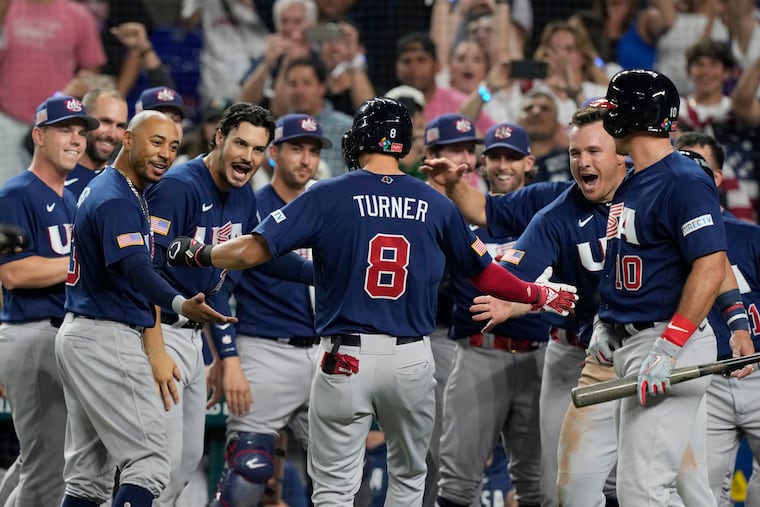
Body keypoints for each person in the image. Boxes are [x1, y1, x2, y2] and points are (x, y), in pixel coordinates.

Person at [165, 97, 577, 506]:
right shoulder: (436, 202)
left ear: (360, 137)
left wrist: (198, 253)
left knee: (334, 489)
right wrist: (539, 293)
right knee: (409, 481)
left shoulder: (328, 194)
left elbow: (253, 251)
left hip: (345, 358)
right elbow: (486, 273)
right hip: (412, 360)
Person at [55, 110, 237, 507]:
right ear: (128, 138)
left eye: (173, 146)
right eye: (156, 142)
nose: (165, 154)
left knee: (89, 477)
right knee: (152, 463)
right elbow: (136, 267)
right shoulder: (115, 197)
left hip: (84, 331)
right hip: (106, 334)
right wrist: (178, 302)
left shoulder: (117, 188)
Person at [590, 68, 752, 506]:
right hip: (635, 342)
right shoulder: (633, 180)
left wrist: (670, 345)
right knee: (676, 486)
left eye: (614, 109)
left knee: (642, 490)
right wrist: (607, 323)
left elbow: (711, 264)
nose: (609, 118)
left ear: (634, 114)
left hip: (666, 343)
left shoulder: (683, 178)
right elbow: (630, 265)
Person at [143, 102, 277, 506]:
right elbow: (143, 270)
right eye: (240, 144)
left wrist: (224, 353)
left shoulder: (244, 195)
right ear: (219, 138)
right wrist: (155, 349)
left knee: (185, 461)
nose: (247, 157)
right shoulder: (179, 185)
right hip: (157, 330)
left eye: (257, 150)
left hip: (193, 338)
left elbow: (222, 281)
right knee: (152, 465)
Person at [208, 113, 330, 507]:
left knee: (342, 473)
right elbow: (218, 288)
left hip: (326, 353)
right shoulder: (252, 207)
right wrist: (227, 359)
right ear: (274, 153)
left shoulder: (328, 207)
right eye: (296, 148)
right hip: (264, 349)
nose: (305, 159)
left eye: (313, 151)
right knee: (249, 469)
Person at [435, 122, 550, 507]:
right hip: (477, 353)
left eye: (512, 157)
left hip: (539, 355)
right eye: (496, 157)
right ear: (483, 163)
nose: (503, 165)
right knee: (456, 483)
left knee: (537, 484)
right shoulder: (457, 213)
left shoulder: (548, 212)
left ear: (529, 163)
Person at [0, 95, 98, 507]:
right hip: (33, 332)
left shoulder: (73, 198)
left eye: (80, 132)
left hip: (64, 336)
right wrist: (81, 261)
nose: (76, 140)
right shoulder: (15, 194)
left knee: (44, 462)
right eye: (64, 130)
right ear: (38, 135)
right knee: (47, 469)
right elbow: (14, 273)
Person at [672, 132, 760, 507]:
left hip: (757, 372)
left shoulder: (750, 236)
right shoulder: (662, 239)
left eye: (697, 164)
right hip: (702, 377)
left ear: (717, 178)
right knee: (699, 493)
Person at [65, 88, 129, 198]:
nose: (112, 135)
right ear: (85, 122)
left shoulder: (128, 183)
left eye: (120, 126)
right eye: (105, 122)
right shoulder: (56, 177)